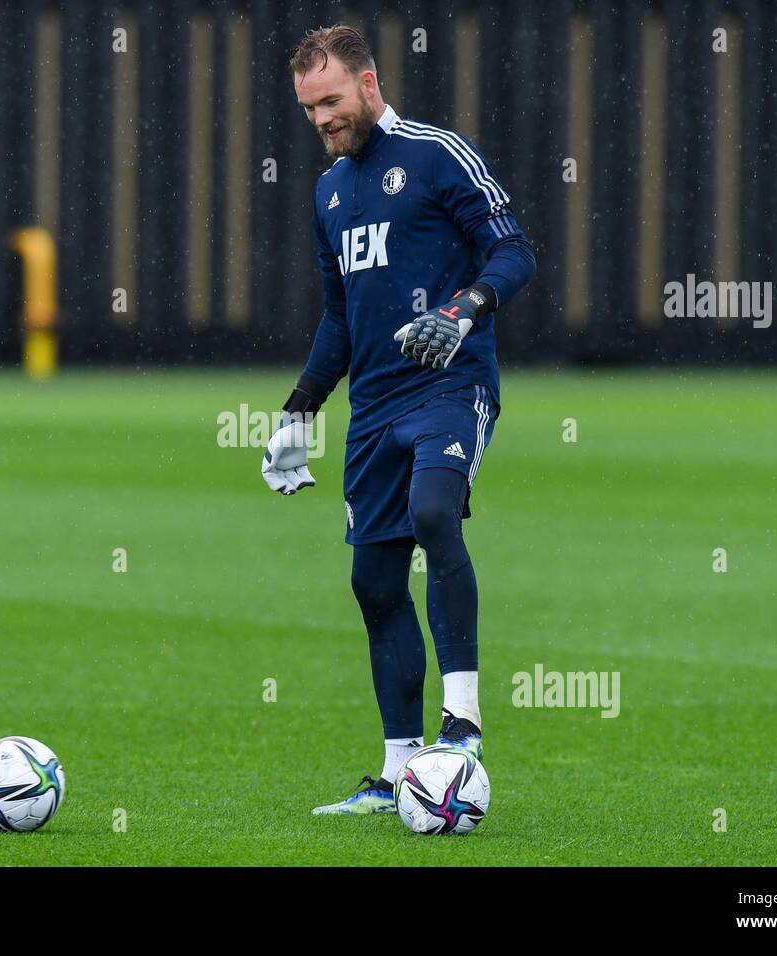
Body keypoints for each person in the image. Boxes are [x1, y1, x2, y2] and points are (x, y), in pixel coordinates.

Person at [262, 24, 536, 815]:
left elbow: (513, 250)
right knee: (373, 580)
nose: (321, 119)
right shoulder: (330, 193)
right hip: (374, 408)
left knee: (433, 512)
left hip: (451, 387)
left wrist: (465, 309)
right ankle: (398, 770)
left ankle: (464, 722)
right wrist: (299, 409)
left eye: (332, 101)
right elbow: (341, 316)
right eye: (310, 108)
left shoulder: (436, 154)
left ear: (370, 83)